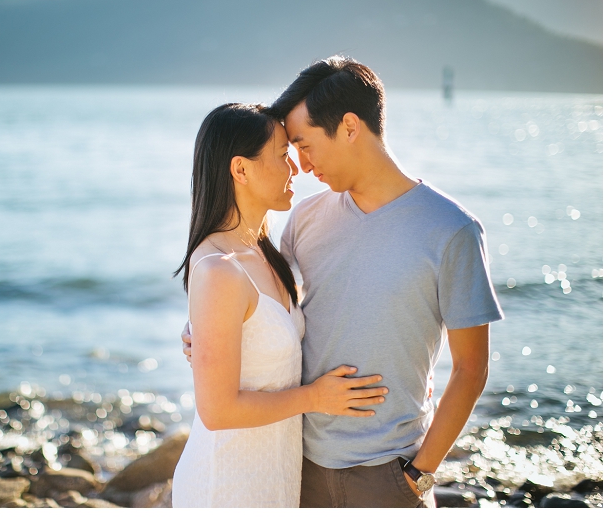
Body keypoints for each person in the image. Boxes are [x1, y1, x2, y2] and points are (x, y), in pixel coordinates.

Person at [181, 56, 504, 508]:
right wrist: (200, 331)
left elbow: (472, 370)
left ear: (350, 127)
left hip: (389, 475)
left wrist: (419, 476)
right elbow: (261, 305)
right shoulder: (305, 220)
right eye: (289, 152)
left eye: (305, 145)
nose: (302, 167)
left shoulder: (452, 231)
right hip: (296, 468)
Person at [171, 103, 389, 508]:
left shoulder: (266, 253)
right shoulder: (219, 269)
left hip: (272, 480)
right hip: (225, 488)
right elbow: (217, 411)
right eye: (283, 156)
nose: (296, 169)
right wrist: (316, 398)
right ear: (241, 169)